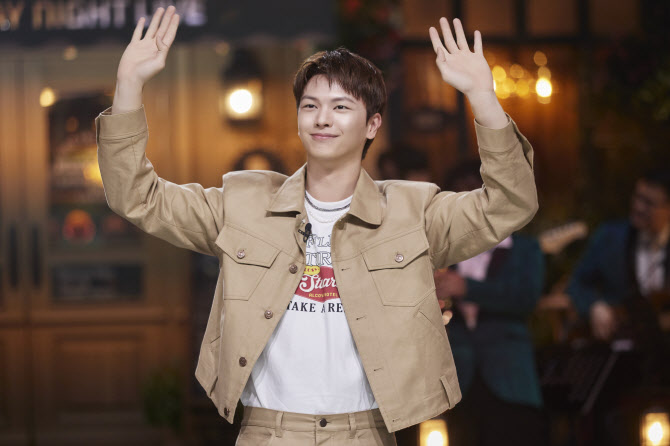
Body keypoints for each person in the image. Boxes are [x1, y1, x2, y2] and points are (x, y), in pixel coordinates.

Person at [95, 6, 538, 446]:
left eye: (341, 106)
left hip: (366, 432)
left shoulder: (413, 211)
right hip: (268, 432)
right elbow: (137, 196)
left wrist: (483, 97)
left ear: (373, 124)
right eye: (310, 106)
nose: (322, 118)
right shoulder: (243, 202)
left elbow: (510, 203)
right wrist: (129, 85)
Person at [434, 159, 547, 446]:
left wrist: (467, 288)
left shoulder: (525, 248)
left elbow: (526, 297)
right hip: (458, 377)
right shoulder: (443, 250)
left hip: (510, 376)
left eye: (476, 193)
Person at [567, 168, 670, 446]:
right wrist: (595, 306)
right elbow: (578, 282)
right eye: (637, 198)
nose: (638, 207)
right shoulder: (611, 236)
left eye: (649, 203)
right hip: (624, 360)